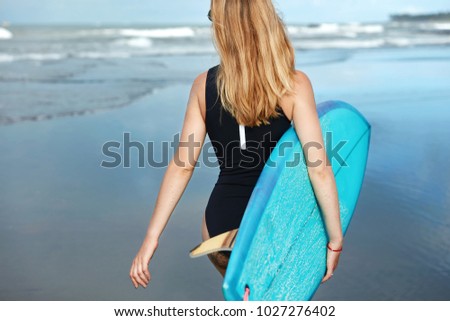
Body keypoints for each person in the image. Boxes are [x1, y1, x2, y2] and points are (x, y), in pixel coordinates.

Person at [130, 0, 343, 290]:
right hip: (273, 223)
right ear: (266, 21)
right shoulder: (292, 83)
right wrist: (334, 240)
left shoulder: (202, 85)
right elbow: (318, 168)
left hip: (219, 230)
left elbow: (182, 166)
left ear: (222, 27)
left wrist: (151, 238)